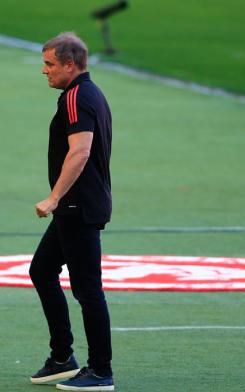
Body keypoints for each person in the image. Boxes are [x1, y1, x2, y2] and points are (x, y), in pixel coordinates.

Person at [29, 32, 114, 391]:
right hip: (75, 206)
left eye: (50, 64)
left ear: (70, 64)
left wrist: (53, 198)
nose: (44, 70)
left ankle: (100, 371)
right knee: (42, 270)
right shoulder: (78, 94)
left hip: (78, 207)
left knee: (87, 290)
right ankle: (63, 357)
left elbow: (80, 152)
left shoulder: (78, 96)